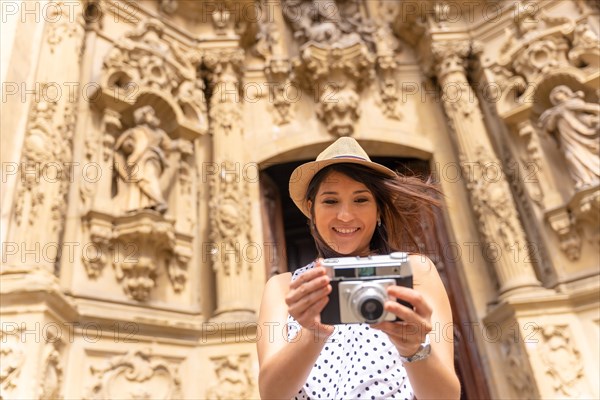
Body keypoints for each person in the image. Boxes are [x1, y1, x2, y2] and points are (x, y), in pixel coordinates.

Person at [257, 137, 460, 399]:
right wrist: (313, 333)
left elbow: (446, 397)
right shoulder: (283, 288)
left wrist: (413, 349)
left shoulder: (415, 272)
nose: (345, 215)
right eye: (330, 201)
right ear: (311, 209)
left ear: (378, 211)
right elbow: (271, 393)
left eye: (361, 200)